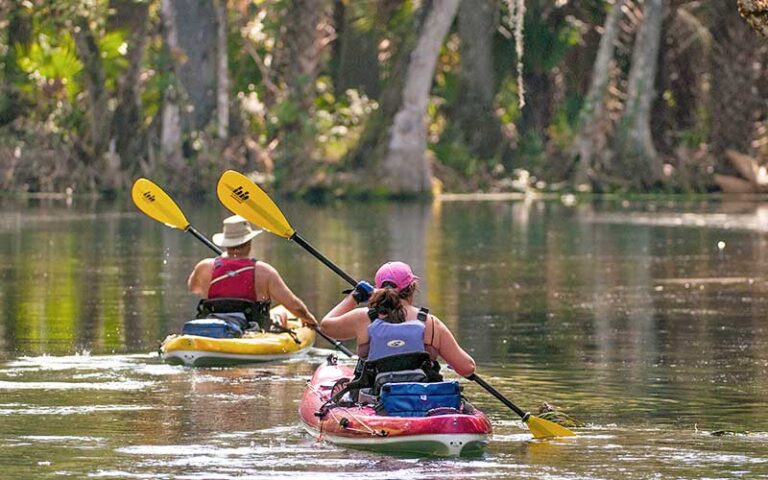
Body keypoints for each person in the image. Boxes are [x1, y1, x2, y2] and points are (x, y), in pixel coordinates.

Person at [319, 261, 476, 395]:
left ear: (377, 289)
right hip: (422, 400)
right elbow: (467, 368)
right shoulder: (431, 323)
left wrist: (354, 297)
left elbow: (326, 326)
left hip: (375, 399)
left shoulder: (363, 318)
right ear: (412, 288)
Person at [187, 215, 317, 330]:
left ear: (225, 243)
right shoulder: (264, 271)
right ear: (249, 242)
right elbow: (295, 306)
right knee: (282, 314)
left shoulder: (204, 266)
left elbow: (193, 288)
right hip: (252, 329)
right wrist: (308, 318)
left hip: (211, 326)